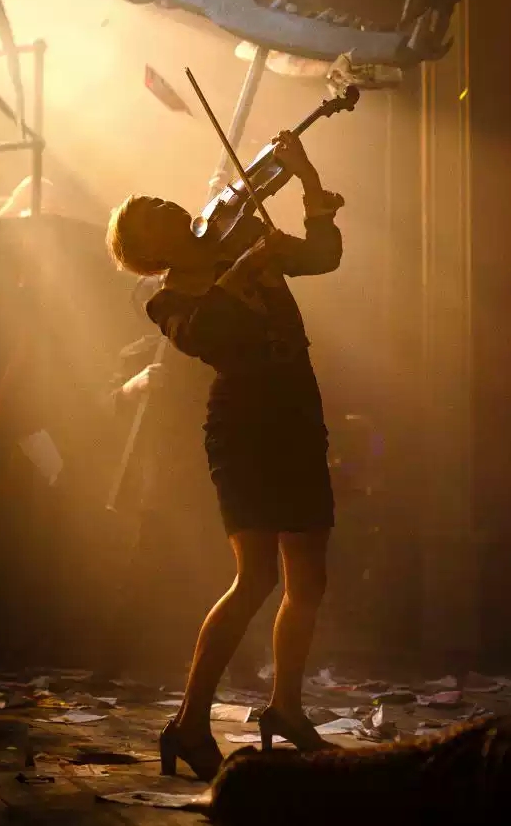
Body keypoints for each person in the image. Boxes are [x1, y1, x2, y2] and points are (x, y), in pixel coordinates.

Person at [105, 131, 344, 779]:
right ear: (148, 251)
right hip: (244, 426)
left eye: (160, 199)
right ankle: (188, 721)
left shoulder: (240, 236)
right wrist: (244, 268)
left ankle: (285, 708)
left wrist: (306, 179)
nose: (168, 205)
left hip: (297, 410)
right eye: (152, 212)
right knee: (256, 577)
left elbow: (323, 256)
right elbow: (204, 333)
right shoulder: (167, 299)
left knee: (309, 579)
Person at [94, 321, 268, 692]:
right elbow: (106, 408)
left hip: (213, 478)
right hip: (163, 483)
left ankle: (242, 667)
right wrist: (134, 385)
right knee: (142, 576)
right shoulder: (143, 352)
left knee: (224, 574)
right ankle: (109, 667)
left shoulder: (218, 350)